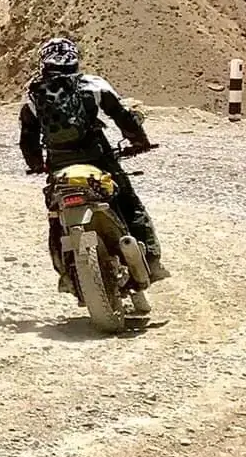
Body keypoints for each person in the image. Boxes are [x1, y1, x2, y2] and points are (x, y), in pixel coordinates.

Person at [18, 37, 169, 286]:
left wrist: (37, 164)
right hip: (98, 158)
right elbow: (123, 117)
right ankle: (151, 260)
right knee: (128, 202)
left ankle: (66, 274)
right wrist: (139, 141)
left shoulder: (33, 97)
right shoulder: (93, 84)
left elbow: (28, 139)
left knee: (56, 215)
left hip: (59, 167)